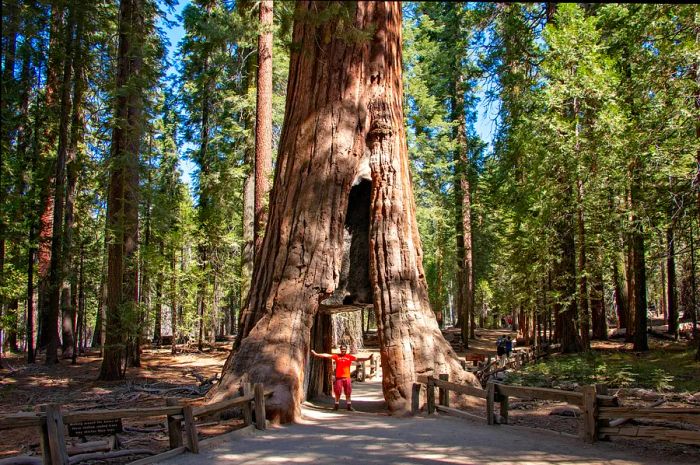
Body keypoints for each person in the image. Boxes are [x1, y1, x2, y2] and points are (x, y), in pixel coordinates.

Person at [311, 343, 374, 411]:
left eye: (344, 349)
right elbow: (327, 355)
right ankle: (336, 405)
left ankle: (349, 406)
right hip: (339, 378)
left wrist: (368, 358)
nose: (343, 350)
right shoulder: (337, 356)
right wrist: (317, 354)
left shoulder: (349, 357)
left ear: (346, 350)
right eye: (342, 349)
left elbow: (358, 359)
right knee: (337, 392)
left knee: (348, 392)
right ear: (340, 350)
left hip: (347, 377)